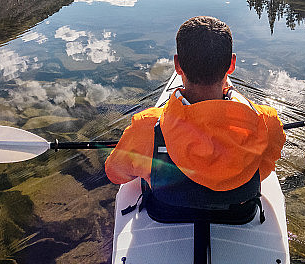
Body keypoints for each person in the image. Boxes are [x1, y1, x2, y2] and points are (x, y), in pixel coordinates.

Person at [105, 16, 285, 218]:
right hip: (239, 213)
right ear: (231, 64)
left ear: (177, 65)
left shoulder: (148, 126)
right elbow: (263, 170)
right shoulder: (267, 121)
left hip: (167, 212)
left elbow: (115, 173)